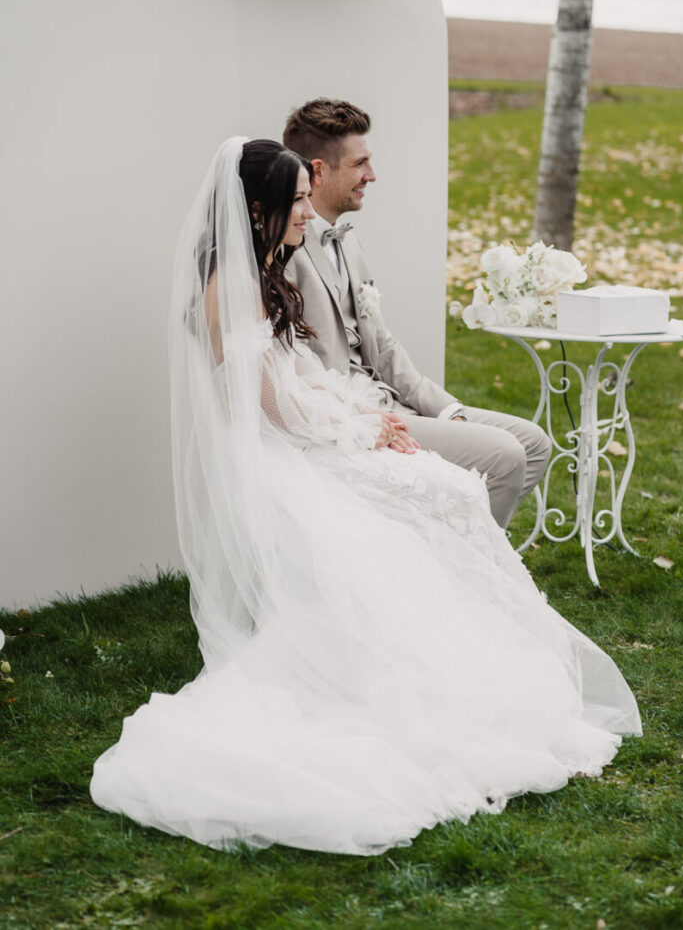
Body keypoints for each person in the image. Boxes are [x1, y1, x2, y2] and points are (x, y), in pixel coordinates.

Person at [90, 138, 641, 856]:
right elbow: (268, 407)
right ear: (255, 210)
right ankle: (415, 667)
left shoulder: (263, 271)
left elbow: (296, 377)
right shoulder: (230, 284)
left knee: (442, 487)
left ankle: (454, 657)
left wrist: (369, 415)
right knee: (440, 490)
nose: (301, 214)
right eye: (290, 203)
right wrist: (360, 427)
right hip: (281, 459)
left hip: (312, 437)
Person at [283, 98, 551, 529]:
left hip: (394, 401)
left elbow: (382, 345)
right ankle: (464, 577)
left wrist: (447, 410)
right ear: (318, 170)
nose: (371, 175)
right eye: (360, 164)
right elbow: (291, 366)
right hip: (352, 416)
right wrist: (364, 418)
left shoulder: (348, 241)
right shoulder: (284, 250)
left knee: (533, 443)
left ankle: (443, 554)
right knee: (506, 454)